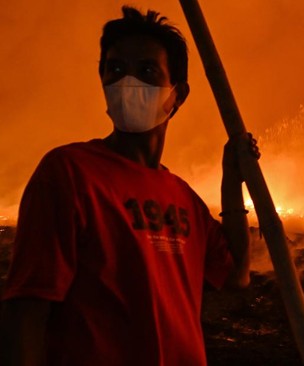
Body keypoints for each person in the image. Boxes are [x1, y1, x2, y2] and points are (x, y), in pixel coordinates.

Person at [0, 6, 257, 366]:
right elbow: (27, 311)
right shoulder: (70, 174)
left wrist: (232, 179)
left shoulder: (182, 197)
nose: (128, 83)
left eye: (147, 71)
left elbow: (237, 275)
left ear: (177, 95)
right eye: (116, 70)